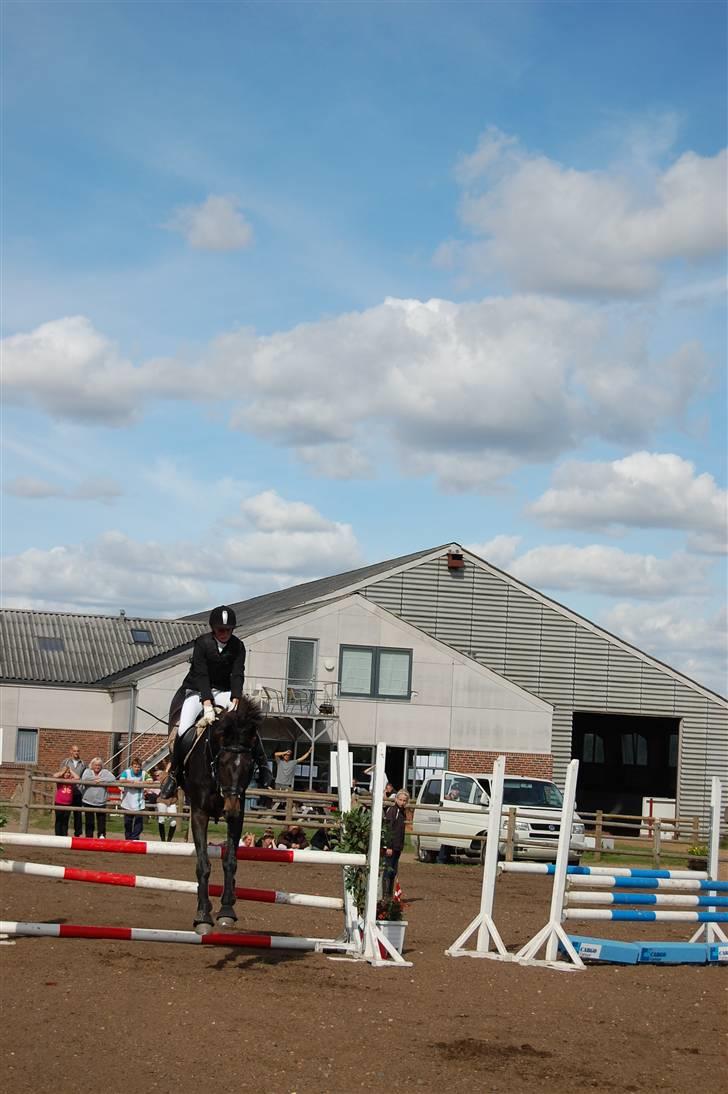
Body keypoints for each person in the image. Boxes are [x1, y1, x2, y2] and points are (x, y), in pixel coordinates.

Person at [160, 606, 270, 797]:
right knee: (184, 727)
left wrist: (236, 698)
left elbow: (237, 673)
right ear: (213, 629)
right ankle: (175, 774)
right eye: (221, 630)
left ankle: (263, 766)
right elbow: (201, 674)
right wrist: (207, 703)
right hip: (196, 691)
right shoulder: (202, 644)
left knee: (245, 722)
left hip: (224, 692)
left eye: (228, 630)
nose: (224, 633)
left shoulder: (238, 646)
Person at [382, 789, 410, 898]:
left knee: (393, 870)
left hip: (397, 846)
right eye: (400, 800)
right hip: (391, 846)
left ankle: (389, 895)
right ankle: (385, 895)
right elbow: (389, 829)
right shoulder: (393, 811)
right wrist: (388, 846)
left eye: (404, 800)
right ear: (396, 799)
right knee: (388, 870)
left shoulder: (402, 812)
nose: (402, 802)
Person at [80, 757, 115, 839]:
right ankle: (89, 837)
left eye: (99, 765)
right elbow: (85, 778)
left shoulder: (105, 772)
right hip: (88, 801)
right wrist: (95, 779)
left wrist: (101, 780)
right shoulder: (87, 771)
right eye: (95, 765)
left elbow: (112, 779)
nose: (97, 767)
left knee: (101, 821)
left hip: (101, 801)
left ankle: (101, 836)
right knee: (89, 821)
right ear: (92, 765)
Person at [119, 756, 148, 841]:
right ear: (132, 766)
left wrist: (141, 782)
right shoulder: (127, 772)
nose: (137, 768)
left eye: (138, 767)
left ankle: (135, 838)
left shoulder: (143, 773)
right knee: (127, 822)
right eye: (135, 766)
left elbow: (150, 780)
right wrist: (131, 782)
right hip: (127, 801)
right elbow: (121, 780)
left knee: (139, 823)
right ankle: (128, 839)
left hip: (139, 801)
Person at [61, 743, 86, 836]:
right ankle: (64, 832)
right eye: (74, 751)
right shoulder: (65, 762)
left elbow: (83, 776)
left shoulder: (83, 764)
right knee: (66, 813)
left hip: (78, 792)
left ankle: (78, 833)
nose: (76, 752)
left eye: (78, 751)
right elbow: (61, 773)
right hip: (67, 791)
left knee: (77, 814)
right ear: (71, 751)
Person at [51, 763, 79, 836]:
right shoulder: (60, 780)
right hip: (59, 803)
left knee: (65, 821)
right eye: (66, 773)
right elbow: (54, 776)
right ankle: (58, 835)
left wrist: (71, 770)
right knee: (59, 820)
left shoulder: (71, 781)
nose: (67, 774)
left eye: (68, 773)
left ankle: (64, 835)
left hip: (68, 804)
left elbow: (77, 777)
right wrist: (63, 771)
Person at [155, 759, 178, 842]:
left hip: (172, 801)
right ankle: (163, 840)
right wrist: (168, 769)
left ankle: (169, 840)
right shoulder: (164, 774)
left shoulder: (179, 776)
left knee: (173, 822)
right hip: (162, 800)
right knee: (162, 819)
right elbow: (162, 782)